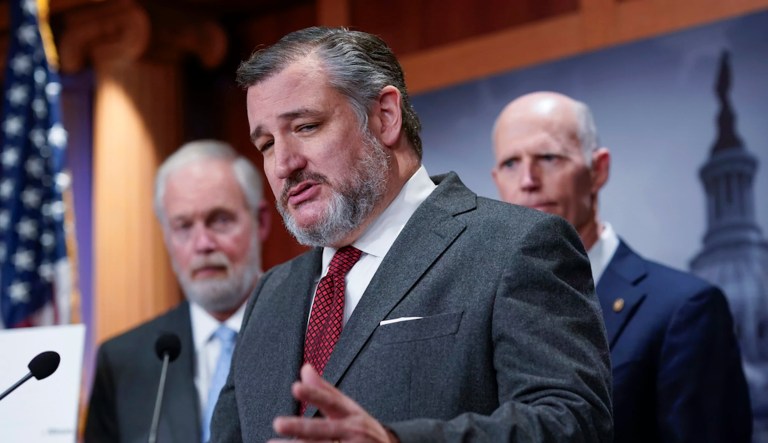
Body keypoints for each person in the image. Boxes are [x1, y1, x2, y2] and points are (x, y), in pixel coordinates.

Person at [210, 27, 612, 443]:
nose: (283, 164)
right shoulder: (269, 294)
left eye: (307, 126)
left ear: (385, 116)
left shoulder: (519, 246)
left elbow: (572, 424)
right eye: (267, 144)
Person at [491, 91, 752, 443]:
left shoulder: (685, 309)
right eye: (511, 163)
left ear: (598, 170)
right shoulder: (488, 313)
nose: (527, 181)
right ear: (496, 181)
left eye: (549, 158)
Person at [84, 140, 271, 443]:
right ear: (167, 237)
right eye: (183, 226)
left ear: (260, 222)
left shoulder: (310, 329)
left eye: (220, 220)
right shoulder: (121, 361)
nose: (203, 244)